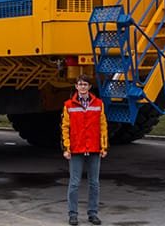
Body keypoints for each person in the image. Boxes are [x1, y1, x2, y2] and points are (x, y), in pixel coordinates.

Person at [61, 74, 108, 225]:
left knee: (94, 183)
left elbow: (103, 127)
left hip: (94, 148)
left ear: (89, 87)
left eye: (85, 84)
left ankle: (93, 213)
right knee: (74, 183)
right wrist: (66, 148)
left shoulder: (99, 104)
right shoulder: (68, 105)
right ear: (76, 87)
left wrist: (103, 146)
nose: (82, 87)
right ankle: (73, 214)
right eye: (80, 84)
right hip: (76, 149)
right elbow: (65, 127)